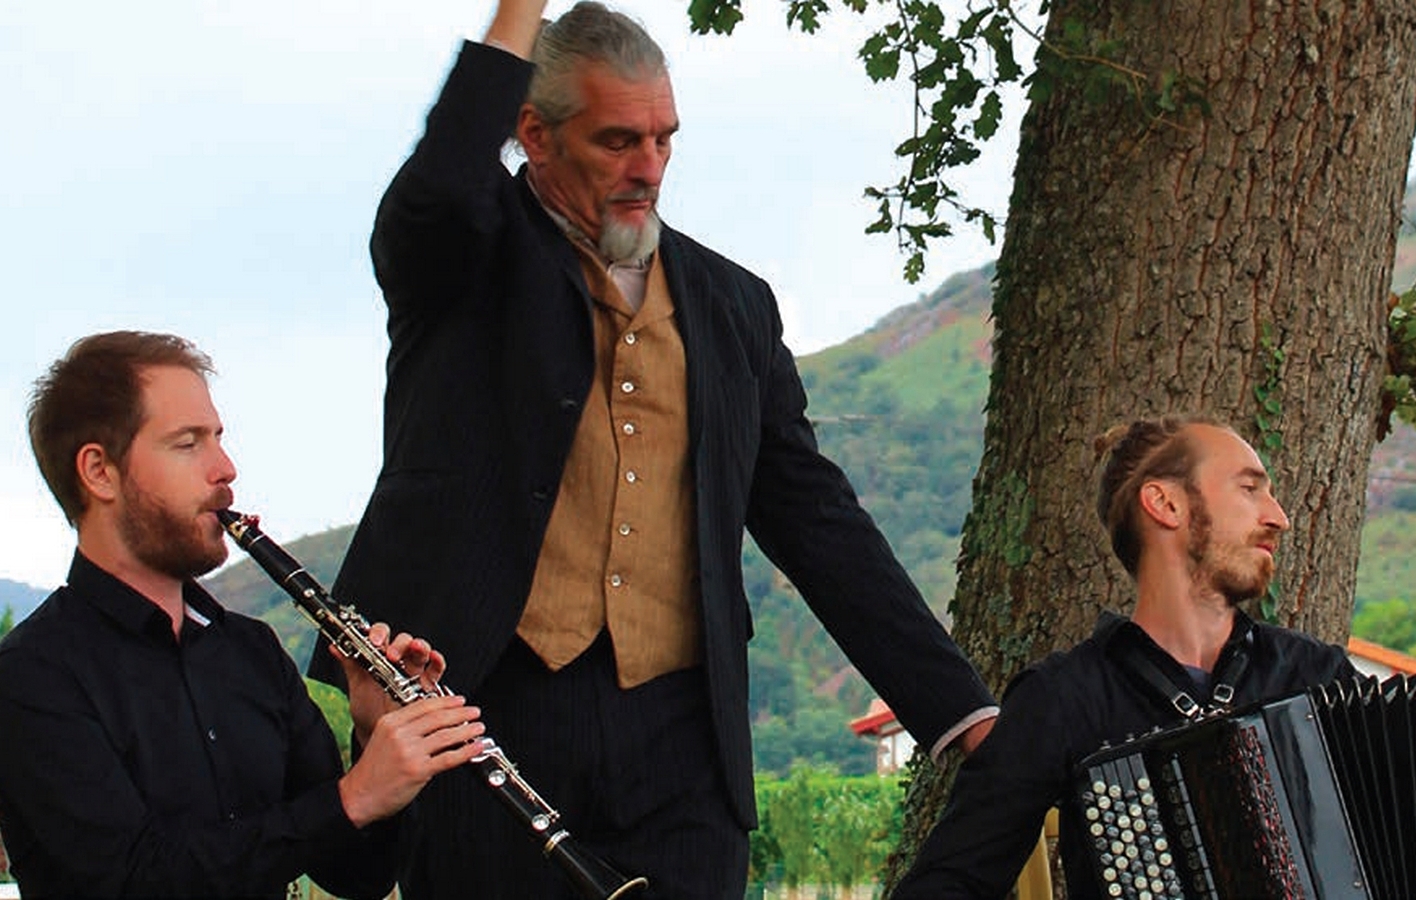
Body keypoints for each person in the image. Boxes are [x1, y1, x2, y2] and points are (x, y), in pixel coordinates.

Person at [313, 1, 999, 896]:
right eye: (617, 142)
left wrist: (964, 710)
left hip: (681, 750)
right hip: (488, 716)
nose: (650, 169)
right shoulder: (459, 262)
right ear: (534, 134)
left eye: (664, 140)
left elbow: (816, 518)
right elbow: (443, 179)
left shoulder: (731, 303)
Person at [0, 331, 486, 899]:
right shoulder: (31, 675)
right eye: (188, 444)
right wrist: (352, 797)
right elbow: (128, 880)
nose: (225, 468)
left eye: (218, 439)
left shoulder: (252, 652)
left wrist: (374, 735)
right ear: (99, 472)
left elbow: (357, 875)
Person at [892, 414, 1362, 898]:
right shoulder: (1063, 700)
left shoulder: (1317, 677)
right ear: (1165, 503)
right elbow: (947, 885)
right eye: (1249, 489)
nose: (1278, 517)